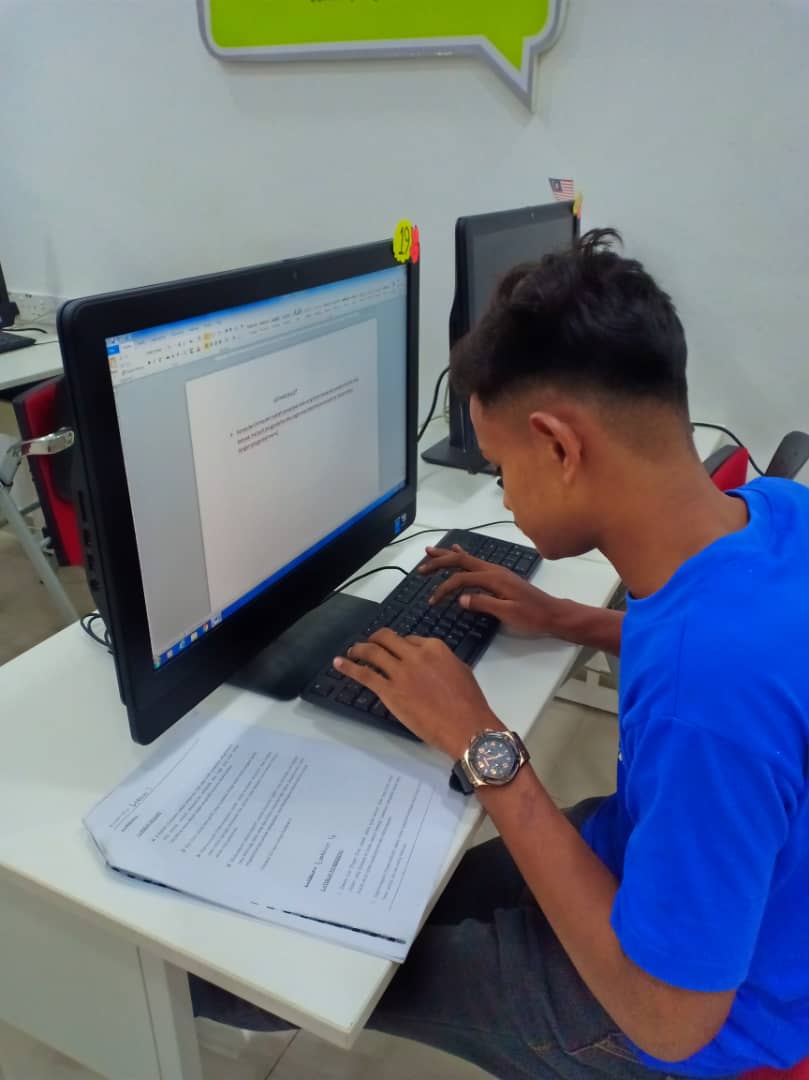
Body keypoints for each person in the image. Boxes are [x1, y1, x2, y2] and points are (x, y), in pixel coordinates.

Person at [191, 230, 809, 1079]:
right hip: (679, 873)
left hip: (682, 1020)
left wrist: (484, 745)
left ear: (558, 447)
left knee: (316, 967)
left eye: (500, 467)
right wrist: (568, 618)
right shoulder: (772, 513)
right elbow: (740, 659)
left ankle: (166, 989)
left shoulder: (704, 701)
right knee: (415, 889)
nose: (503, 495)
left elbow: (670, 1023)